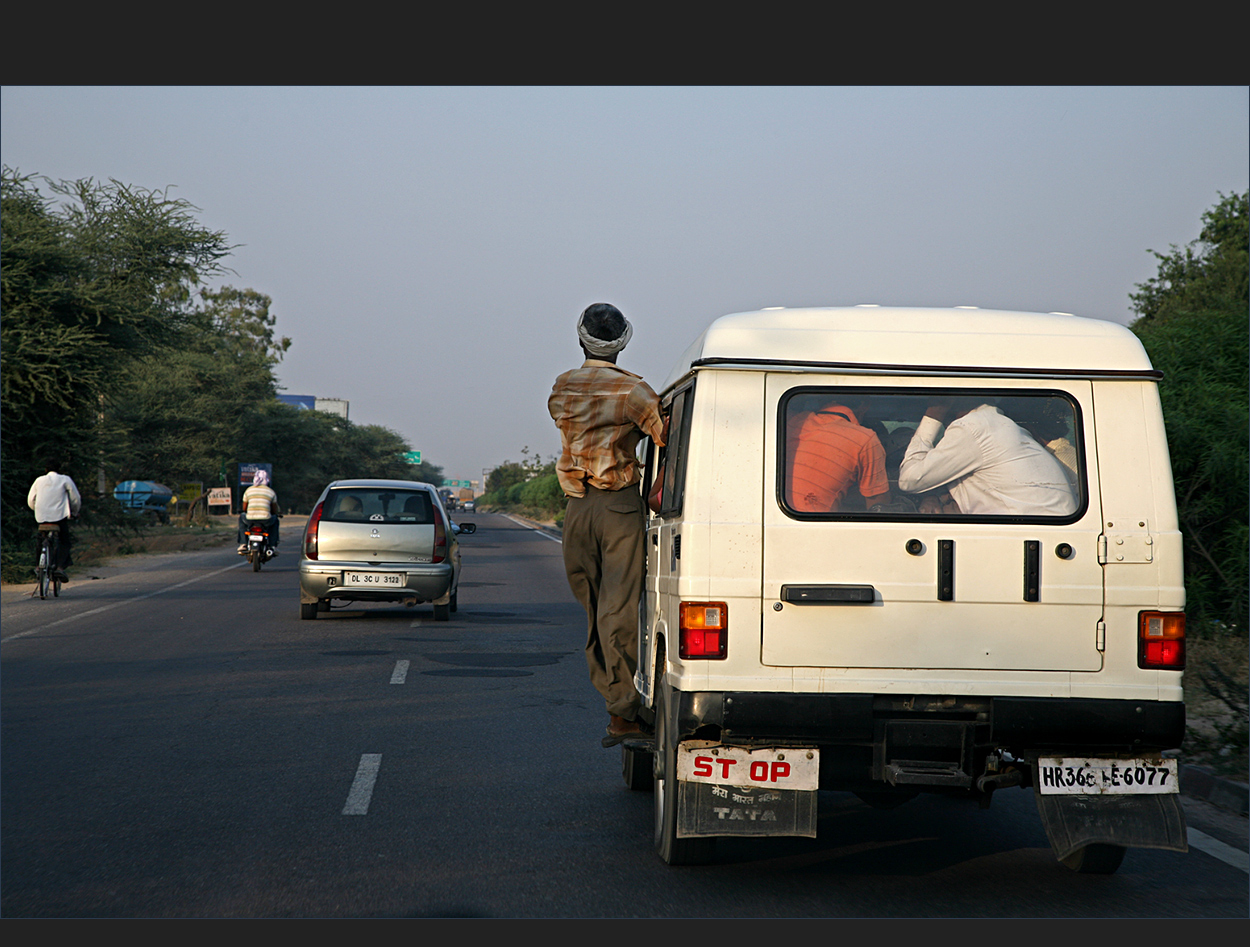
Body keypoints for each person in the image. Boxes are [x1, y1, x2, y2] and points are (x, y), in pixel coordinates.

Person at [548, 303, 666, 747]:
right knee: (617, 610)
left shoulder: (561, 388)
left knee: (595, 611)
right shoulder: (636, 392)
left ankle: (617, 705)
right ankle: (623, 711)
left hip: (576, 508)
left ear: (581, 339)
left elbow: (569, 424)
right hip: (618, 507)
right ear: (623, 342)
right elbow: (664, 437)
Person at [897, 399, 1076, 515]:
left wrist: (932, 415)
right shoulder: (993, 423)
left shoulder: (974, 427)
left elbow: (910, 480)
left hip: (1034, 535)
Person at [786, 398, 890, 512]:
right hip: (818, 525)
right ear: (865, 406)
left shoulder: (789, 420)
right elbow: (878, 507)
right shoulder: (865, 439)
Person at [27, 460, 82, 580]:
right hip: (59, 517)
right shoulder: (65, 479)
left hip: (41, 517)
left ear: (45, 470)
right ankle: (60, 568)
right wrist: (74, 512)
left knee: (40, 539)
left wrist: (36, 509)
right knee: (64, 541)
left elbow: (30, 500)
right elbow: (75, 499)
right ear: (59, 469)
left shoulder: (39, 480)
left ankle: (38, 565)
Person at [237, 469, 280, 554]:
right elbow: (274, 510)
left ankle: (243, 543)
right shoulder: (271, 492)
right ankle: (272, 545)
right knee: (275, 519)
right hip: (266, 520)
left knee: (242, 517)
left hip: (250, 519)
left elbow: (244, 508)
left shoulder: (248, 490)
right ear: (267, 479)